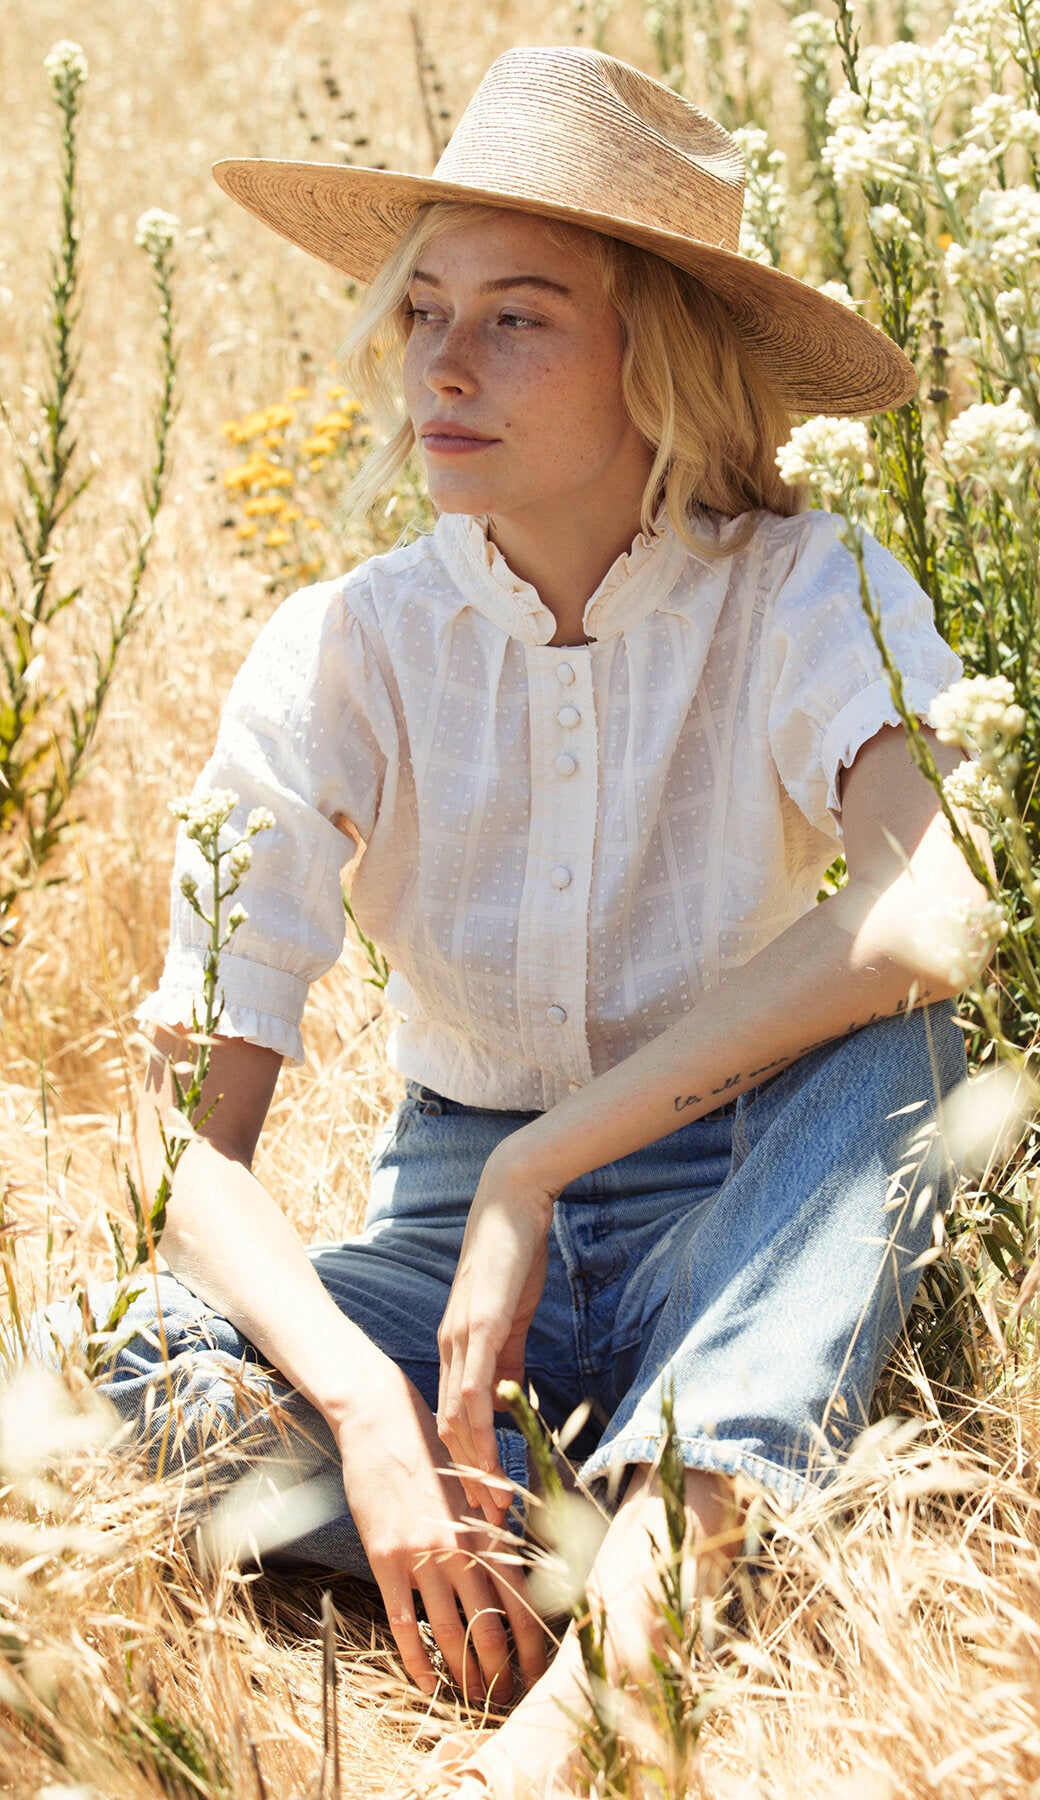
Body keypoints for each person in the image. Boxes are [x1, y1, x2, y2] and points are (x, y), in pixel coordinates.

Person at [65, 44, 989, 1798]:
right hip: (435, 1265)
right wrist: (358, 1403)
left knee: (918, 1064)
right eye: (422, 309)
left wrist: (536, 1167)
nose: (442, 363)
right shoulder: (345, 646)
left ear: (667, 354)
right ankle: (628, 1517)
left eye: (518, 317)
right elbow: (184, 1158)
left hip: (742, 1199)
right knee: (117, 1372)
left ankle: (603, 1676)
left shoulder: (807, 587)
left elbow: (935, 905)